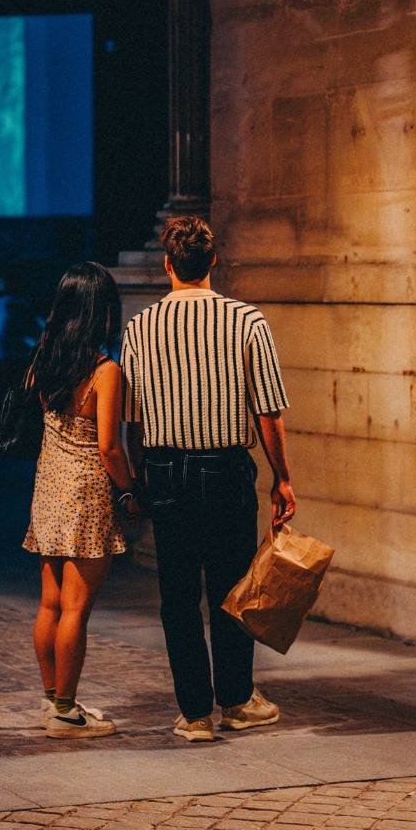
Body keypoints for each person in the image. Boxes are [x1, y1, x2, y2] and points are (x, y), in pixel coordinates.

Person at [121, 215, 296, 743]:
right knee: (230, 590)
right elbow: (269, 413)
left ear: (168, 265)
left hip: (165, 471)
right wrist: (282, 478)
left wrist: (140, 478)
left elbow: (133, 417)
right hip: (225, 472)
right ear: (214, 262)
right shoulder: (248, 322)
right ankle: (237, 700)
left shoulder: (139, 328)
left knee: (177, 595)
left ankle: (194, 713)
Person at [23, 262, 138, 740]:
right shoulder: (103, 371)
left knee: (49, 603)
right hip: (87, 493)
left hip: (48, 487)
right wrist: (130, 489)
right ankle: (67, 712)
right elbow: (109, 446)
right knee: (76, 608)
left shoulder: (42, 361)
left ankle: (53, 699)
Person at [0, 275, 36, 453]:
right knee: (10, 401)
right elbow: (31, 328)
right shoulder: (22, 304)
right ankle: (7, 441)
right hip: (13, 358)